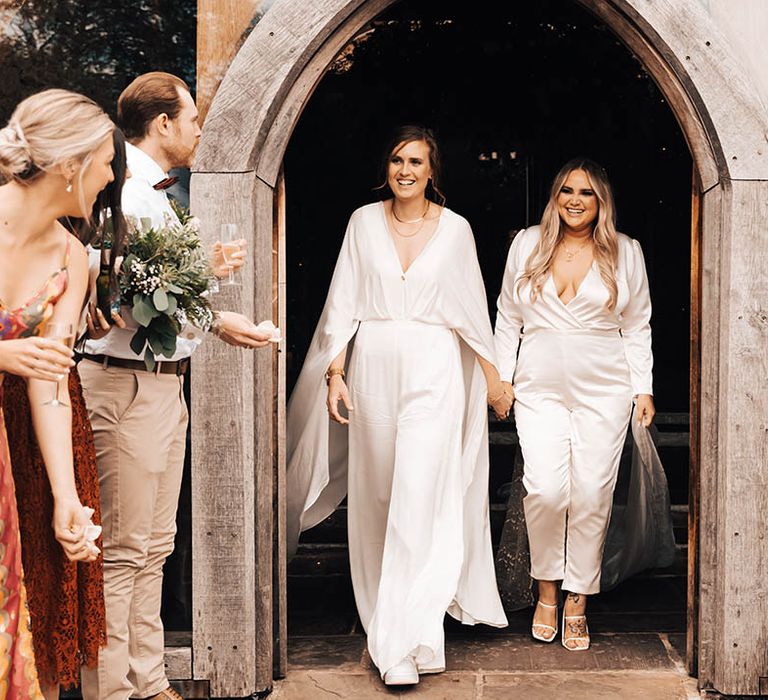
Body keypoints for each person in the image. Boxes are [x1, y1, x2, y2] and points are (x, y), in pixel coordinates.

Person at [287, 126, 511, 686]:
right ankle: (390, 620)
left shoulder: (456, 230)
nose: (404, 169)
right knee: (379, 495)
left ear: (432, 171)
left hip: (435, 367)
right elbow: (342, 303)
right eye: (396, 159)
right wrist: (336, 374)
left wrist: (492, 379)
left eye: (416, 161)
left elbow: (470, 309)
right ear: (386, 166)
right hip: (375, 366)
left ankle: (406, 640)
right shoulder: (363, 222)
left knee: (420, 494)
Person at [78, 72, 273, 700]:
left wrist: (216, 317)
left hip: (162, 386)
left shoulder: (157, 195)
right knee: (122, 551)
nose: (197, 130)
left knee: (155, 546)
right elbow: (123, 301)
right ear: (163, 123)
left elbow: (163, 298)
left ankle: (151, 681)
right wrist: (201, 278)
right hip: (123, 386)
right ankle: (112, 690)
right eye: (192, 119)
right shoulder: (123, 193)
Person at [494, 158, 656, 651]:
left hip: (605, 390)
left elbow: (638, 324)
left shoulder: (626, 252)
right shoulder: (527, 243)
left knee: (591, 494)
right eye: (566, 190)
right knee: (543, 489)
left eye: (586, 193)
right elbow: (506, 315)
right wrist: (501, 379)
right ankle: (546, 590)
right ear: (555, 196)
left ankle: (578, 598)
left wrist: (643, 387)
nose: (575, 200)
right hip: (538, 387)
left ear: (600, 201)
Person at [2, 128, 132, 696]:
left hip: (35, 434)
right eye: (105, 163)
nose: (111, 177)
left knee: (42, 578)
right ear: (70, 165)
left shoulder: (72, 255)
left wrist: (67, 498)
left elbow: (49, 380)